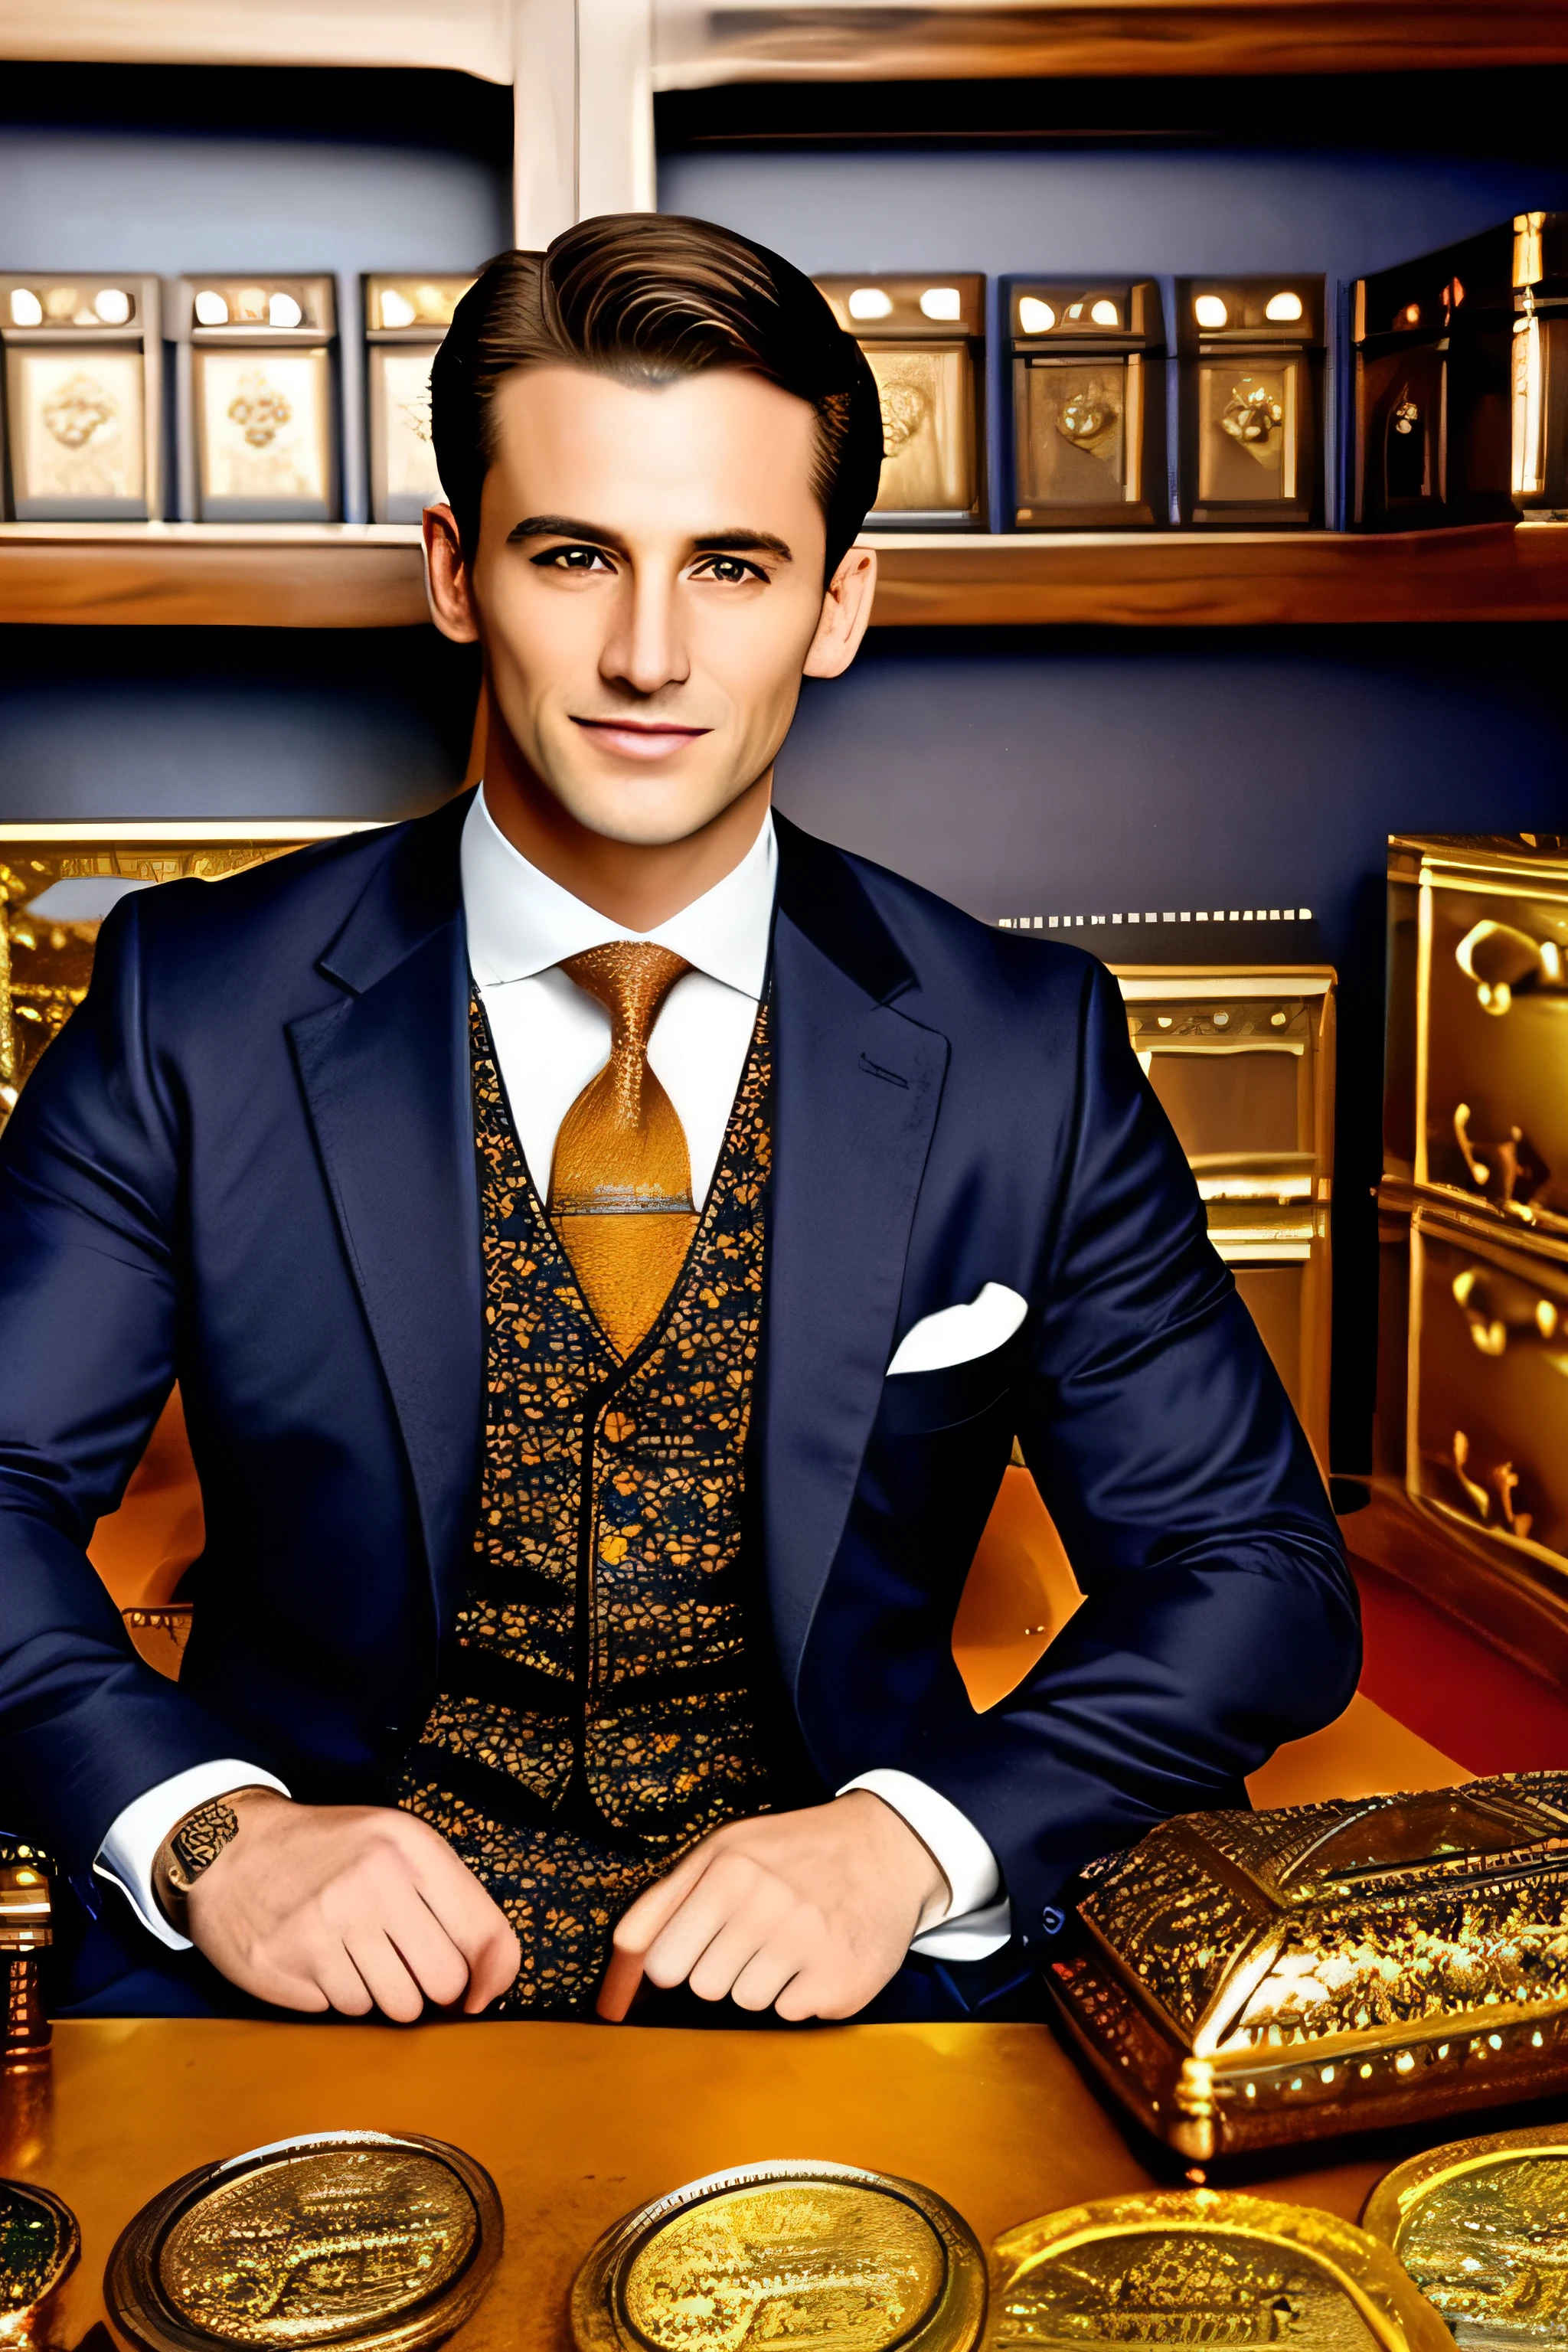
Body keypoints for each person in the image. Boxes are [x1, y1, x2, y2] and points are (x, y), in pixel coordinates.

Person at [0, 215, 1358, 2027]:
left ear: (839, 600)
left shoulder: (1024, 1051)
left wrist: (913, 1838)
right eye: (575, 555)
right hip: (282, 1984)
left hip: (862, 2000)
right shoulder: (196, 1003)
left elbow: (1252, 1575)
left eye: (730, 564)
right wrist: (211, 1835)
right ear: (454, 570)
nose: (649, 652)